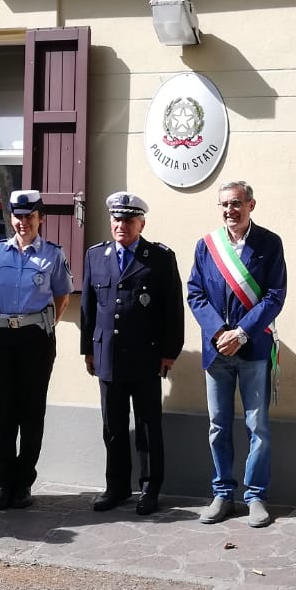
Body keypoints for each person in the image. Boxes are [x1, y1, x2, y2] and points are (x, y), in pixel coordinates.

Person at [187, 180, 288, 528]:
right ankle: (222, 493)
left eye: (236, 203)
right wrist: (219, 332)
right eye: (225, 205)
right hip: (217, 351)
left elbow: (275, 295)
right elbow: (195, 293)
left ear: (251, 205)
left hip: (254, 348)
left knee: (257, 426)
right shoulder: (206, 246)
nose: (230, 210)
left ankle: (255, 495)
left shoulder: (269, 244)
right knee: (218, 426)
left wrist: (242, 333)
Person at [80, 191, 184, 515]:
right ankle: (116, 487)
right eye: (116, 218)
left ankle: (150, 488)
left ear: (142, 223)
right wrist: (88, 349)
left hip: (146, 356)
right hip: (107, 355)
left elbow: (172, 309)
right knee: (112, 426)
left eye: (128, 219)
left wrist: (169, 352)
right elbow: (88, 307)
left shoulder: (160, 258)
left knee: (148, 426)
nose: (121, 224)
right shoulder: (96, 256)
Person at [0, 188, 71, 510]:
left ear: (40, 219)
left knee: (31, 411)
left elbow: (62, 296)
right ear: (11, 218)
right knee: (0, 411)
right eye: (17, 217)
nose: (23, 223)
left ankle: (23, 483)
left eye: (29, 217)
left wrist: (42, 324)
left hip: (35, 338)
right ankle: (5, 483)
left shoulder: (53, 255)